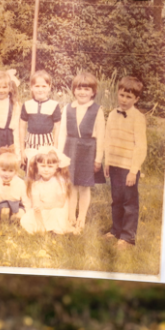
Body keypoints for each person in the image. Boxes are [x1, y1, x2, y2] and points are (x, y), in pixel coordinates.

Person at [103, 76, 147, 248]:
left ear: (136, 99)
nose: (124, 99)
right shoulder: (113, 114)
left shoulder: (138, 118)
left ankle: (128, 237)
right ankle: (116, 230)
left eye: (129, 97)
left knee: (129, 202)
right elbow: (108, 138)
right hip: (114, 164)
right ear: (117, 94)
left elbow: (141, 146)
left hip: (129, 167)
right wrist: (107, 161)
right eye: (122, 95)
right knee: (116, 199)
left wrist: (133, 170)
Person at [61, 70, 106, 233]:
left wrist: (98, 159)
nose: (82, 92)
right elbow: (62, 133)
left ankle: (82, 218)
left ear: (93, 92)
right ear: (74, 90)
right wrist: (60, 156)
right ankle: (71, 216)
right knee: (72, 184)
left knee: (84, 186)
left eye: (87, 89)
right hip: (70, 149)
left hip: (88, 150)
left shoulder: (97, 110)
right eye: (79, 88)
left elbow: (101, 136)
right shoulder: (68, 108)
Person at [22, 146, 72, 234]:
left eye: (50, 166)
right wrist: (39, 223)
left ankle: (58, 228)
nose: (46, 170)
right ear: (37, 166)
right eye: (42, 166)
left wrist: (45, 206)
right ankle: (44, 227)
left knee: (57, 215)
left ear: (56, 167)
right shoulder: (36, 184)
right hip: (43, 211)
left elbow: (60, 203)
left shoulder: (59, 182)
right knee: (26, 219)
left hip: (56, 209)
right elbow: (36, 205)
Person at [20, 71, 62, 164]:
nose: (40, 89)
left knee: (45, 168)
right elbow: (22, 127)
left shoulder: (54, 105)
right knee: (31, 169)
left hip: (47, 144)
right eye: (37, 86)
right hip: (31, 143)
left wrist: (55, 148)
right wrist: (22, 150)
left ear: (49, 87)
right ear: (31, 87)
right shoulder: (27, 105)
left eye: (44, 86)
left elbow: (58, 127)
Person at [0, 147, 29, 229]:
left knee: (21, 213)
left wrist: (28, 215)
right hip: (1, 205)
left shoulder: (20, 182)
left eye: (11, 171)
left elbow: (25, 200)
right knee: (4, 209)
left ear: (16, 171)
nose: (7, 174)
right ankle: (4, 223)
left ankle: (14, 221)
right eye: (4, 170)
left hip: (16, 205)